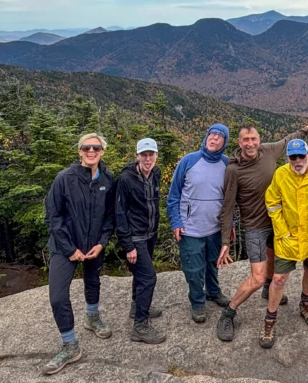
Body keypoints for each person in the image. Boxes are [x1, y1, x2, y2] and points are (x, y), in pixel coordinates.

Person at [216, 114, 308, 342]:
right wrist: (225, 241)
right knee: (256, 278)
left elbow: (289, 141)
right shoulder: (233, 170)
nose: (250, 144)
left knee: (275, 268)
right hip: (256, 226)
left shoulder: (268, 150)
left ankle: (269, 289)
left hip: (280, 223)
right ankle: (229, 312)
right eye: (245, 140)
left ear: (259, 139)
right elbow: (227, 206)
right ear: (239, 142)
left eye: (253, 139)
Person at [42, 133, 116, 375]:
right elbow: (53, 216)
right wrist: (69, 248)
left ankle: (92, 317)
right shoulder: (64, 179)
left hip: (93, 244)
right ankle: (69, 345)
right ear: (80, 151)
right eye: (86, 147)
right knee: (57, 296)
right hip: (65, 246)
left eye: (96, 147)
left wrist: (102, 243)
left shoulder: (108, 179)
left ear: (102, 151)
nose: (91, 151)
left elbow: (110, 216)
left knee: (92, 280)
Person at [259, 139, 308, 348]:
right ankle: (270, 320)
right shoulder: (281, 175)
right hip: (289, 239)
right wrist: (282, 231)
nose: (297, 161)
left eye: (300, 156)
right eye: (292, 157)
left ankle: (305, 303)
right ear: (287, 158)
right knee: (278, 279)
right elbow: (272, 203)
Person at [167, 124, 231, 323]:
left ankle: (213, 291)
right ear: (206, 137)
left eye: (219, 137)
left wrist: (231, 226)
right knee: (194, 269)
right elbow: (174, 195)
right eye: (211, 135)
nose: (214, 139)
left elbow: (230, 199)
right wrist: (176, 221)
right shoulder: (189, 160)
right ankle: (197, 302)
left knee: (212, 263)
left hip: (215, 228)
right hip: (190, 228)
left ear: (224, 142)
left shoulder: (227, 164)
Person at [115, 137, 166, 344]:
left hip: (150, 234)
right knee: (148, 278)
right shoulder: (126, 180)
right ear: (137, 156)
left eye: (151, 155)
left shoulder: (156, 173)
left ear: (155, 156)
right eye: (143, 155)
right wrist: (128, 246)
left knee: (140, 274)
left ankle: (137, 306)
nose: (147, 159)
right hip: (135, 237)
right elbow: (119, 213)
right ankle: (140, 326)